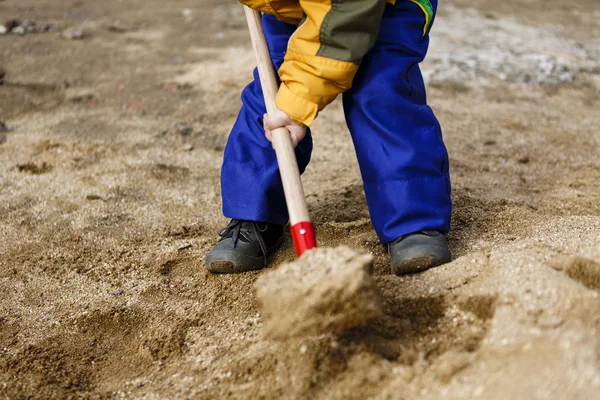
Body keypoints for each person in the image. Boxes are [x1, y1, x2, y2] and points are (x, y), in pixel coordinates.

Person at [205, 0, 452, 275]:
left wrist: (298, 103)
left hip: (382, 7)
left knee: (380, 90)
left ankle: (413, 218)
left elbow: (345, 18)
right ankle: (253, 213)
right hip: (289, 5)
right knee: (270, 94)